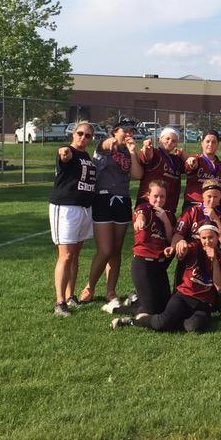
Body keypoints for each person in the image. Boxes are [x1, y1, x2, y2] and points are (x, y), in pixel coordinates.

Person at [114, 225, 221, 332]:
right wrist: (181, 245)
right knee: (163, 323)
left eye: (211, 237)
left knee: (194, 327)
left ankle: (171, 321)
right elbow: (182, 251)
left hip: (203, 303)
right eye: (204, 238)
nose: (207, 241)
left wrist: (215, 261)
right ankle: (134, 321)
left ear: (217, 237)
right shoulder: (195, 248)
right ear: (199, 239)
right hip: (184, 296)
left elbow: (219, 287)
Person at [80, 119, 140, 313]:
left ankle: (111, 291)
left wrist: (132, 151)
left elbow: (137, 175)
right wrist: (116, 140)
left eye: (132, 130)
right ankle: (90, 286)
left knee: (116, 250)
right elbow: (107, 144)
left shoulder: (128, 151)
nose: (129, 133)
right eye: (125, 130)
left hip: (122, 200)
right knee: (104, 250)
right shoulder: (105, 145)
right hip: (103, 199)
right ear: (115, 131)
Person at [48, 121, 97, 317]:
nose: (83, 138)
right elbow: (63, 156)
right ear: (73, 134)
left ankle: (70, 296)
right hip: (66, 207)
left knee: (75, 255)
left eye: (87, 135)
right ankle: (60, 302)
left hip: (84, 208)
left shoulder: (86, 156)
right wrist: (63, 153)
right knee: (66, 255)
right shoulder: (69, 151)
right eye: (80, 133)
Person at [130, 180, 175, 315]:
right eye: (155, 196)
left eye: (162, 196)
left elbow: (170, 239)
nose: (159, 199)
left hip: (159, 267)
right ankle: (117, 309)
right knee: (152, 310)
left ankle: (137, 301)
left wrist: (166, 220)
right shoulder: (144, 208)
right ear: (148, 195)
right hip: (143, 264)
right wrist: (140, 220)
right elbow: (140, 214)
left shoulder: (168, 214)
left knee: (165, 307)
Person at [137, 127, 186, 214]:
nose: (170, 142)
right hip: (148, 206)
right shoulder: (155, 153)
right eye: (167, 138)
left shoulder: (176, 159)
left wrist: (184, 155)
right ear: (160, 139)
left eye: (174, 141)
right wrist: (146, 147)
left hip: (169, 208)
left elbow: (193, 165)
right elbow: (148, 155)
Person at [184, 130, 221, 207]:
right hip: (195, 205)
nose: (210, 144)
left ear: (218, 145)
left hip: (216, 206)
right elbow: (190, 164)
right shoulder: (196, 160)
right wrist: (190, 162)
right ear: (202, 143)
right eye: (207, 141)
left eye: (214, 142)